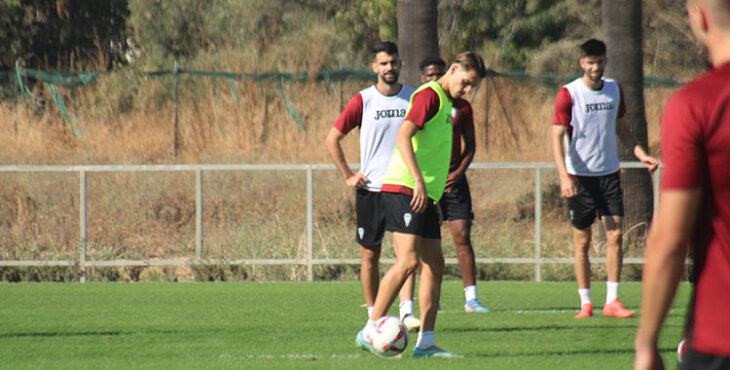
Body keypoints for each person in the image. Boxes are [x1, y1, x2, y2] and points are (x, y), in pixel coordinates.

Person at [356, 52, 488, 358]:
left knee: (435, 263)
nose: (467, 90)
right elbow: (403, 137)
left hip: (426, 196)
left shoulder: (447, 103)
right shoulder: (429, 96)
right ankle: (369, 328)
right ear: (454, 69)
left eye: (472, 86)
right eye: (466, 82)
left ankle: (426, 343)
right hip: (404, 188)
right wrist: (418, 181)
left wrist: (434, 195)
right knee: (409, 262)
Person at [634, 0, 730, 368]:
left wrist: (646, 343)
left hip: (719, 337)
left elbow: (670, 237)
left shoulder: (697, 104)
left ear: (700, 15)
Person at [550, 39, 658, 319]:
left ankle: (612, 300)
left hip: (609, 175)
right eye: (590, 62)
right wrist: (564, 177)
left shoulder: (613, 89)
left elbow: (622, 128)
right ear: (582, 63)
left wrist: (641, 155)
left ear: (605, 61)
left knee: (615, 236)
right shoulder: (569, 94)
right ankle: (585, 302)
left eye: (600, 61)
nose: (595, 67)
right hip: (580, 178)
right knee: (582, 241)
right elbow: (556, 136)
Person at [325, 41, 420, 331]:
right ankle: (373, 315)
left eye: (393, 62)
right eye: (383, 63)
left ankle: (406, 312)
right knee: (370, 255)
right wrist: (348, 176)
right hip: (372, 190)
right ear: (374, 67)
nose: (389, 68)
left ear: (400, 64)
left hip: (403, 187)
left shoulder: (414, 99)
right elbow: (332, 139)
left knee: (407, 257)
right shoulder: (363, 100)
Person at [418, 56, 489, 313]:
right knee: (423, 245)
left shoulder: (462, 107)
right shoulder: (424, 99)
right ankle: (420, 301)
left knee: (462, 235)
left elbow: (470, 146)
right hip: (427, 183)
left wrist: (458, 173)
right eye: (429, 74)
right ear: (423, 77)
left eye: (438, 73)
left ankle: (471, 298)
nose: (435, 78)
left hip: (454, 181)